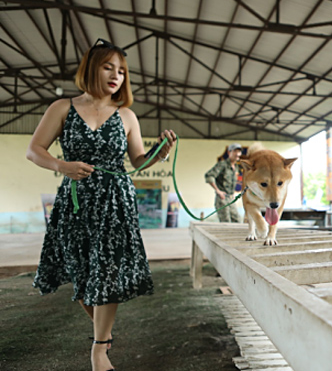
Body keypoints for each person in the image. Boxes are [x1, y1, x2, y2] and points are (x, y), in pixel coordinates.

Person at [26, 38, 176, 371]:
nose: (116, 75)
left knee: (106, 272)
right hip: (75, 203)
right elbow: (34, 149)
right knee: (81, 275)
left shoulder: (127, 115)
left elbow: (137, 161)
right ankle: (104, 334)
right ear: (91, 68)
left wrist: (158, 153)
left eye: (121, 71)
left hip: (115, 202)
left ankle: (99, 348)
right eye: (109, 67)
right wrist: (61, 166)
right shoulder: (62, 107)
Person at [205, 143, 242, 222]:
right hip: (222, 199)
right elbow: (209, 176)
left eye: (239, 151)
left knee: (238, 221)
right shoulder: (222, 165)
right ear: (229, 152)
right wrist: (218, 191)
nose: (237, 154)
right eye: (235, 151)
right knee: (226, 222)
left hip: (231, 198)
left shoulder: (236, 167)